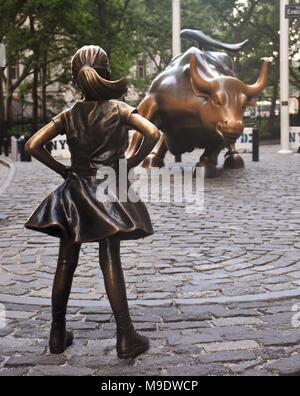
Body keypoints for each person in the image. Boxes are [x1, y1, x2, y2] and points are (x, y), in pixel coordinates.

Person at [25, 45, 160, 359]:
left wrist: (64, 171)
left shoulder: (69, 114)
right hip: (107, 192)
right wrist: (130, 164)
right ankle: (125, 336)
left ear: (76, 79)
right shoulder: (118, 109)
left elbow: (33, 145)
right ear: (106, 72)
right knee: (110, 256)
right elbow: (153, 133)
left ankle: (57, 334)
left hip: (74, 192)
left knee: (65, 262)